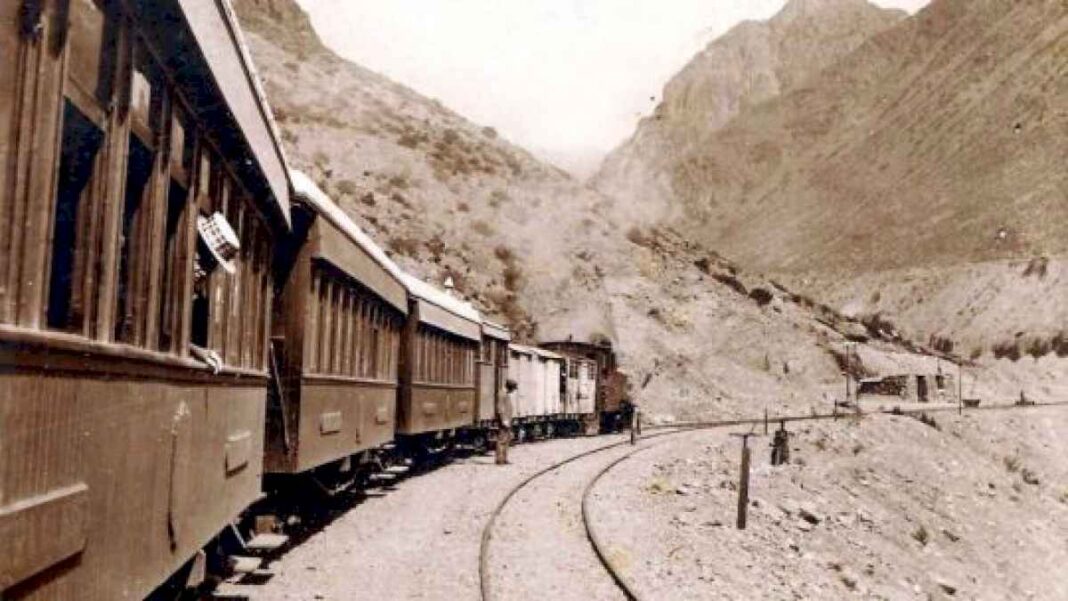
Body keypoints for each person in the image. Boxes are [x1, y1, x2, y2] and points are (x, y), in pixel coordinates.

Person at [496, 379, 517, 465]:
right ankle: (500, 459)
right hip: (504, 420)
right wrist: (504, 420)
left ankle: (504, 459)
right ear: (510, 387)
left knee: (507, 439)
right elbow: (500, 408)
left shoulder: (505, 394)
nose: (513, 391)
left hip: (507, 420)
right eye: (513, 389)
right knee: (502, 440)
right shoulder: (502, 394)